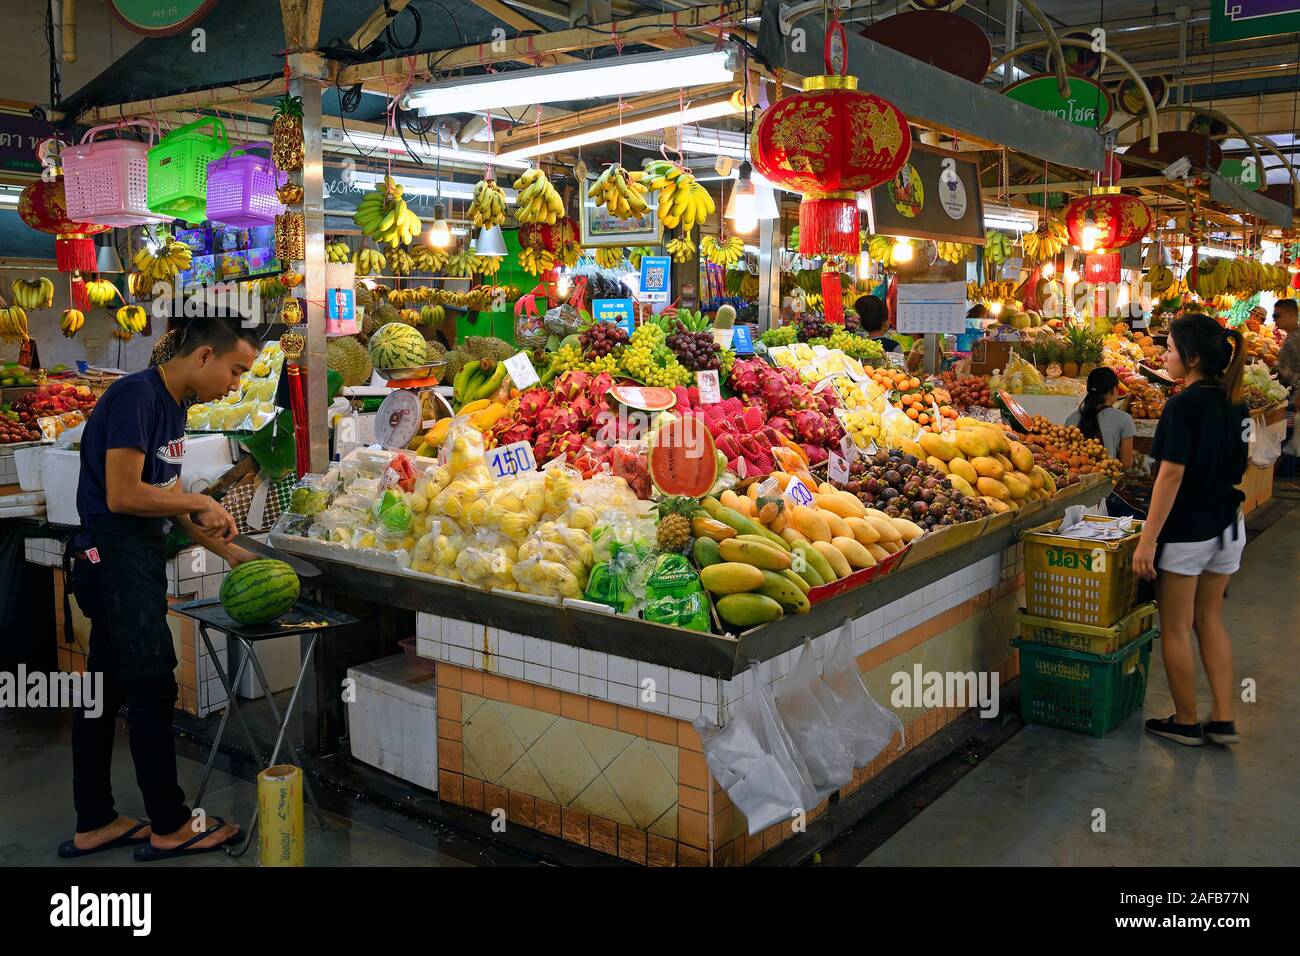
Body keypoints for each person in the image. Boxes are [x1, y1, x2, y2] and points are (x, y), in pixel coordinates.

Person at [64, 317, 259, 860]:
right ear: (203, 356)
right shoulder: (136, 397)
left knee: (102, 690)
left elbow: (163, 498)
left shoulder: (174, 407)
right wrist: (201, 500)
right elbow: (126, 494)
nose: (236, 384)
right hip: (113, 558)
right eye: (236, 369)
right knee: (151, 688)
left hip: (129, 559)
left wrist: (227, 550)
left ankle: (95, 821)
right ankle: (171, 825)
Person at [1132, 314, 1249, 748]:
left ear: (1193, 357)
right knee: (1210, 620)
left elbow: (1170, 476)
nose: (1164, 355)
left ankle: (1185, 721)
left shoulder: (1183, 404)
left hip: (1189, 528)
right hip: (1227, 524)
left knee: (1177, 626)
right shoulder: (1233, 398)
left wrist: (1148, 540)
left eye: (1170, 348)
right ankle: (1223, 718)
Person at [1066, 366, 1135, 467]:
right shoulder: (1124, 419)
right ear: (1114, 389)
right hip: (1108, 480)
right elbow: (1126, 464)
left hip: (1076, 478)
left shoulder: (1071, 419)